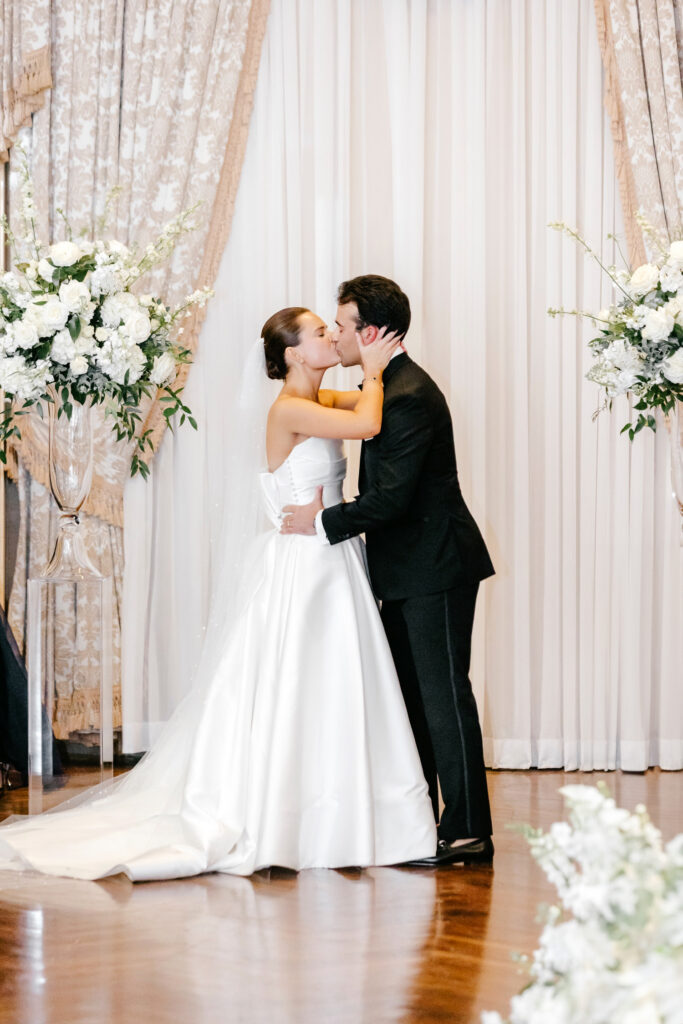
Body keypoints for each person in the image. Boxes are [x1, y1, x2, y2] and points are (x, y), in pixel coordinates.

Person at [0, 307, 437, 881]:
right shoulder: (289, 408)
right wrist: (376, 372)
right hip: (305, 563)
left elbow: (365, 413)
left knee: (336, 683)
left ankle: (343, 812)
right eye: (320, 332)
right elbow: (369, 424)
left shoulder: (319, 400)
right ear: (294, 355)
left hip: (332, 556)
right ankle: (292, 818)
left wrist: (375, 377)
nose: (333, 336)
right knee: (302, 680)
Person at [282, 276, 495, 866]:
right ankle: (419, 824)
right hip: (405, 569)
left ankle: (470, 831)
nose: (337, 333)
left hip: (436, 566)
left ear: (370, 332)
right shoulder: (386, 386)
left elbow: (393, 499)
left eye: (343, 325)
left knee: (444, 697)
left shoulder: (408, 394)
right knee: (412, 700)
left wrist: (321, 521)